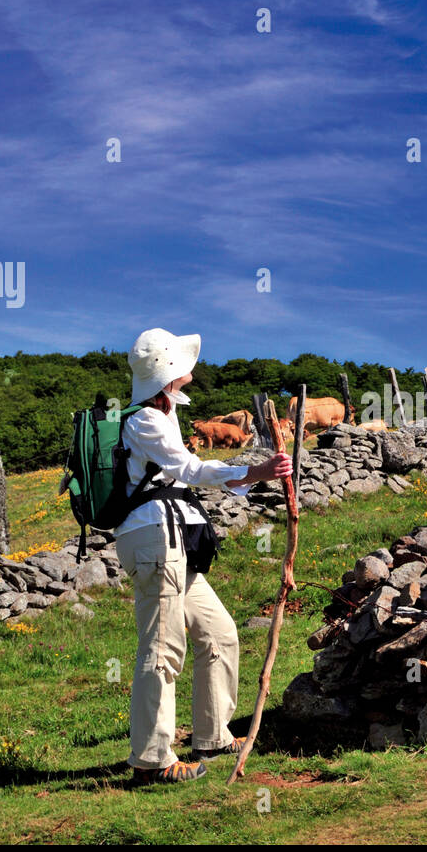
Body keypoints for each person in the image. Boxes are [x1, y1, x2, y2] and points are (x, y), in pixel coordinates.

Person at [115, 327, 291, 784]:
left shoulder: (163, 414)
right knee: (161, 647)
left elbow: (182, 474)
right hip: (155, 539)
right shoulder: (146, 420)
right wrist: (255, 469)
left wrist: (250, 474)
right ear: (168, 370)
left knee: (220, 633)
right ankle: (152, 761)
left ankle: (212, 735)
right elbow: (188, 470)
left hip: (169, 539)